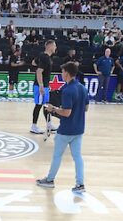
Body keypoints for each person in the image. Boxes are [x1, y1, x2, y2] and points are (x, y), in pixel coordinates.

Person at [37, 61, 88, 193]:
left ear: (67, 73)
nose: (61, 74)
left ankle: (50, 180)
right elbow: (86, 108)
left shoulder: (67, 90)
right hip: (79, 129)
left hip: (66, 130)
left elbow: (66, 112)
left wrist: (53, 109)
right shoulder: (82, 88)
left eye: (63, 71)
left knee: (57, 156)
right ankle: (80, 184)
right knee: (78, 157)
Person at [31, 40, 56, 134]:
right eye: (54, 46)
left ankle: (49, 124)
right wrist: (41, 85)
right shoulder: (45, 57)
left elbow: (33, 62)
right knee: (38, 105)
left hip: (45, 85)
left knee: (46, 105)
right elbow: (39, 71)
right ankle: (34, 126)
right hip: (40, 85)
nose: (55, 48)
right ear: (50, 47)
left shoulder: (42, 56)